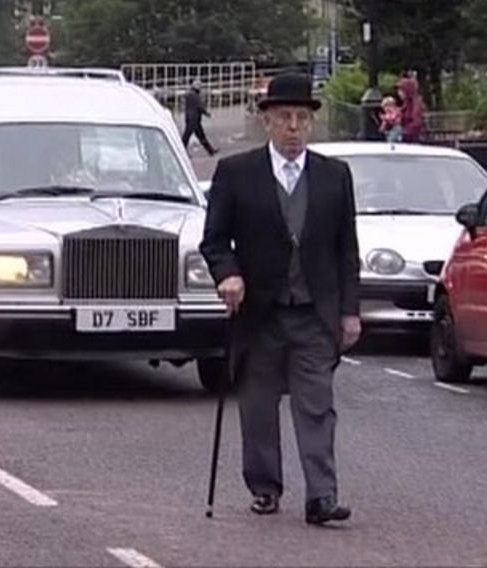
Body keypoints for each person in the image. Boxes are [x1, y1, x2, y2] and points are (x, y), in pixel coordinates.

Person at [199, 72, 361, 526]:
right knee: (258, 407)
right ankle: (266, 487)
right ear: (266, 121)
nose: (294, 128)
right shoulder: (236, 173)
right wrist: (228, 275)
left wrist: (350, 311)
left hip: (314, 314)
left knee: (317, 406)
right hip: (260, 315)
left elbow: (346, 248)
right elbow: (214, 241)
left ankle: (322, 498)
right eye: (285, 117)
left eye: (302, 119)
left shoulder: (334, 176)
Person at [182, 80, 217, 156]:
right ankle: (181, 152)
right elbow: (200, 107)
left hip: (189, 118)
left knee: (190, 136)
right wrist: (207, 114)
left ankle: (211, 151)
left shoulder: (188, 95)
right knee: (192, 136)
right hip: (194, 120)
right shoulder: (196, 96)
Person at [396, 77, 426, 143]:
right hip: (406, 136)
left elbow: (417, 122)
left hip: (413, 139)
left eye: (401, 90)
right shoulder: (406, 104)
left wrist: (404, 132)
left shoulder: (416, 104)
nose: (399, 93)